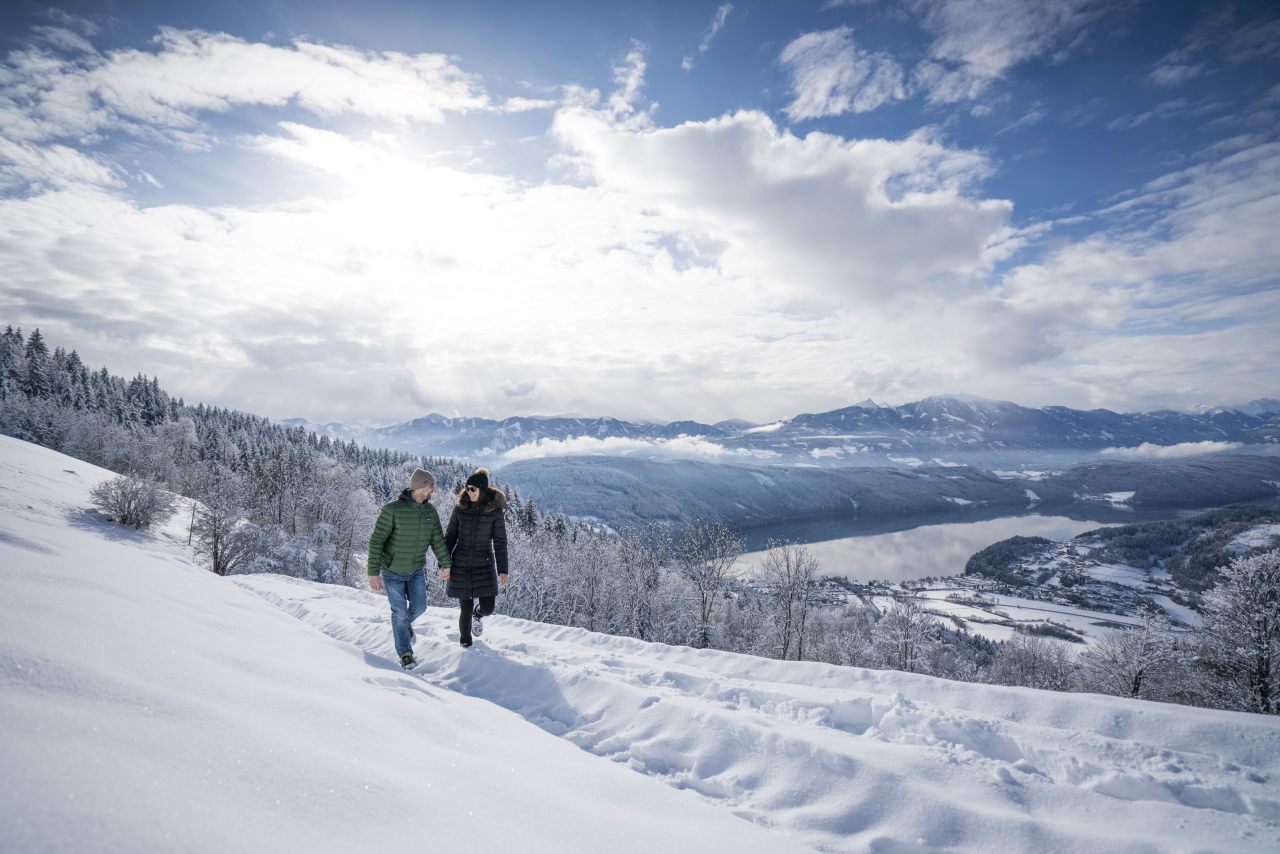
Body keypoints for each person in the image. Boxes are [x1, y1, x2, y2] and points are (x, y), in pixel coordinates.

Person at [368, 467, 451, 669]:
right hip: (392, 572)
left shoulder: (430, 512)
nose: (433, 491)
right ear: (422, 487)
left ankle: (404, 626)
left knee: (420, 607)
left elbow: (437, 540)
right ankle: (405, 653)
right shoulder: (392, 510)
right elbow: (377, 540)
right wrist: (373, 572)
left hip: (416, 571)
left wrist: (445, 564)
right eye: (431, 487)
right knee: (399, 612)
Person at [444, 467, 508, 648]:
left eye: (473, 489)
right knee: (464, 606)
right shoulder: (460, 508)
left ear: (482, 489)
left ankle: (477, 615)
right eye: (467, 488)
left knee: (488, 608)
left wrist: (503, 570)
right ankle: (466, 644)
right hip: (461, 564)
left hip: (484, 564)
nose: (469, 492)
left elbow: (500, 542)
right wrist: (444, 563)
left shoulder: (494, 511)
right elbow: (450, 537)